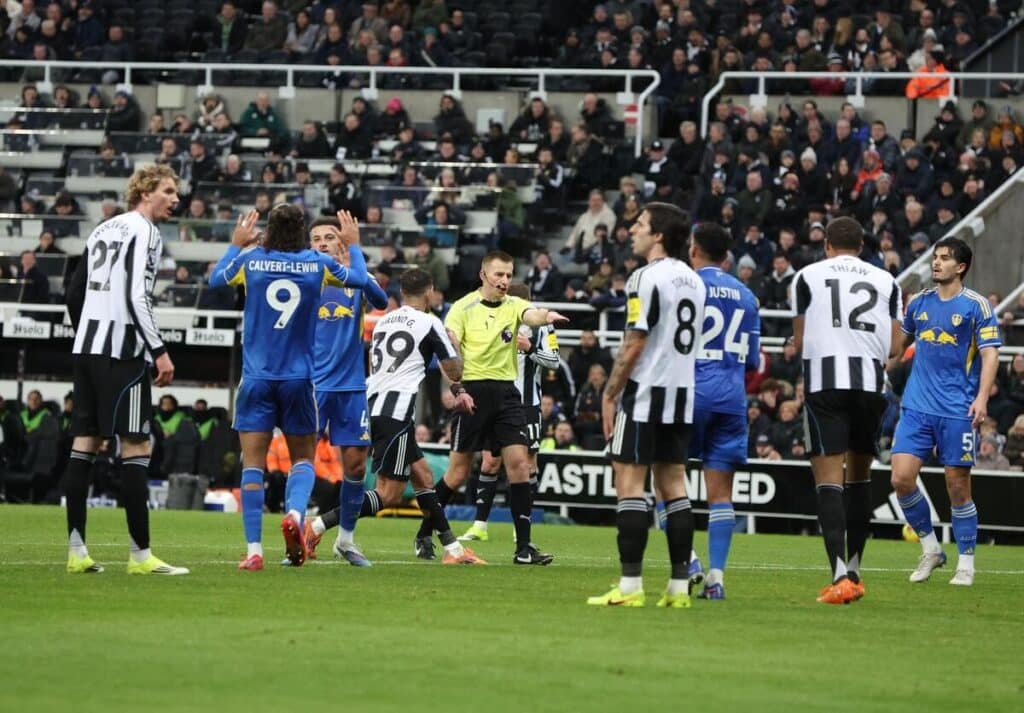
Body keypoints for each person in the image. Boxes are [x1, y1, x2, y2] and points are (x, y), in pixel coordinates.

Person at [208, 207, 370, 571]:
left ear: (268, 231)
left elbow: (216, 281)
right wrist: (354, 246)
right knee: (302, 459)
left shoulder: (252, 261)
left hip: (256, 379)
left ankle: (254, 550)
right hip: (299, 380)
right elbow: (359, 280)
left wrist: (235, 246)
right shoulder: (317, 264)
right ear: (301, 232)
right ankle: (295, 514)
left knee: (253, 464)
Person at [62, 165, 188, 576]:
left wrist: (87, 333)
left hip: (87, 349)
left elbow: (74, 291)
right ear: (146, 191)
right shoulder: (145, 230)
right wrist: (159, 350)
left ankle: (77, 553)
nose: (176, 199)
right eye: (169, 191)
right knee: (136, 447)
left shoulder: (102, 229)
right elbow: (137, 295)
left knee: (85, 444)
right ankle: (140, 556)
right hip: (123, 353)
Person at [413, 251, 568, 563]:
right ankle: (424, 532)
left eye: (509, 275)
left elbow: (532, 315)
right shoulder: (462, 307)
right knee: (457, 474)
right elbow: (448, 347)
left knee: (520, 466)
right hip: (473, 394)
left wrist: (546, 316)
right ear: (483, 274)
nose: (504, 281)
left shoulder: (514, 305)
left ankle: (523, 548)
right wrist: (455, 386)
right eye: (499, 274)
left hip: (507, 394)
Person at [588, 202, 705, 608]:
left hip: (645, 393)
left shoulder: (644, 277)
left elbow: (635, 340)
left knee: (629, 486)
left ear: (658, 235)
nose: (632, 230)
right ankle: (677, 589)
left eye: (639, 225)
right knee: (675, 487)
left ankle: (631, 585)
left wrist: (609, 392)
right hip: (681, 394)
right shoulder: (694, 280)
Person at [791, 216, 902, 604]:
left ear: (827, 245)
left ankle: (839, 575)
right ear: (862, 246)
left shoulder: (806, 276)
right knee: (859, 480)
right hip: (871, 387)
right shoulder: (887, 281)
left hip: (826, 384)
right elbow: (895, 346)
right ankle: (855, 569)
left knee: (828, 481)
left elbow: (800, 338)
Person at [890, 236, 1001, 587]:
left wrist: (982, 397)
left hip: (956, 409)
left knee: (957, 487)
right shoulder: (919, 303)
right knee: (900, 478)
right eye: (935, 257)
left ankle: (966, 562)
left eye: (944, 258)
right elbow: (896, 348)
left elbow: (990, 353)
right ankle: (931, 548)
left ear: (961, 266)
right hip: (916, 406)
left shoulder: (976, 306)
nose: (936, 263)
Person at [297, 215, 387, 566]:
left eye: (329, 237)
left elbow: (379, 300)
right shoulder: (307, 276)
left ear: (341, 242)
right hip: (314, 385)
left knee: (355, 466)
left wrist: (356, 250)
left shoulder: (357, 276)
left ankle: (346, 541)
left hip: (351, 387)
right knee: (302, 461)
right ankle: (297, 534)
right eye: (315, 237)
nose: (321, 242)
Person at [685, 222, 761, 599]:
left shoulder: (686, 285)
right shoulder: (747, 296)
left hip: (690, 393)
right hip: (731, 400)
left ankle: (688, 559)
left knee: (662, 477)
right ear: (728, 256)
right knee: (721, 494)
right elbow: (753, 362)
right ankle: (716, 578)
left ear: (694, 249)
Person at [458, 282, 561, 542]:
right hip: (494, 401)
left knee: (527, 464)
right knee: (490, 461)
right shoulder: (493, 321)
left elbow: (555, 361)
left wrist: (530, 348)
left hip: (527, 404)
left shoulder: (543, 327)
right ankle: (480, 525)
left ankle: (521, 525)